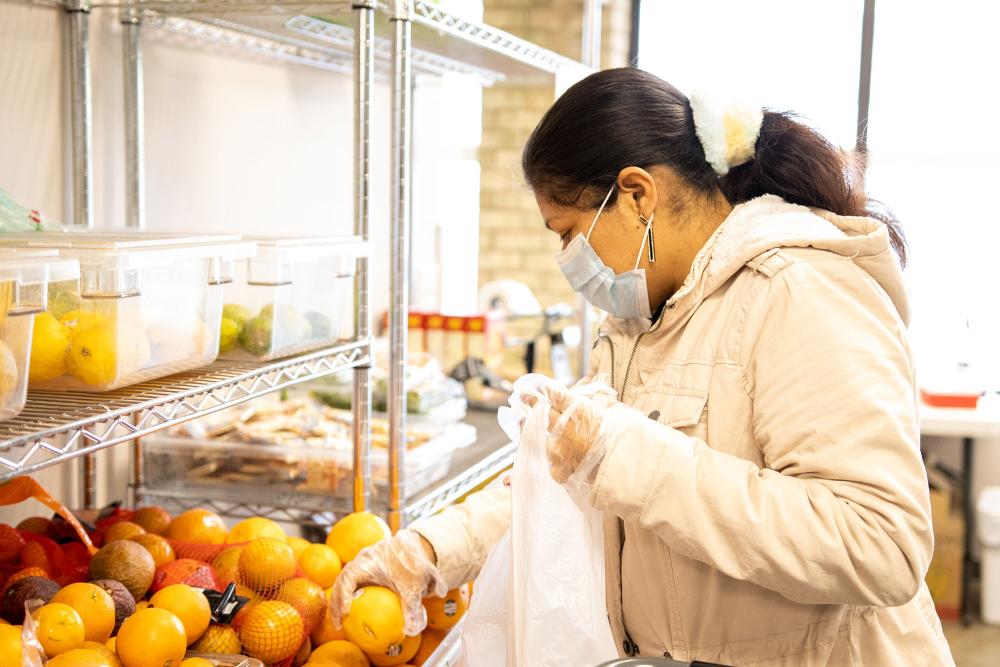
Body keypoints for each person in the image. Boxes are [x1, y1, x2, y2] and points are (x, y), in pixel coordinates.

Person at [330, 68, 954, 665]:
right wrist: (432, 551)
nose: (567, 259)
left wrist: (625, 456)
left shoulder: (799, 289)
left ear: (636, 195)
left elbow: (881, 543)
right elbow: (564, 477)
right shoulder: (640, 320)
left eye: (568, 232)